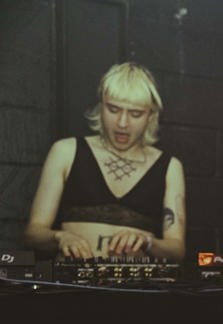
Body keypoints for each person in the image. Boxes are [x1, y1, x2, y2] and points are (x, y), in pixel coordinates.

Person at [23, 62, 186, 261]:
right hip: (71, 279)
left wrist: (147, 242)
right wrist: (61, 237)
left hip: (136, 281)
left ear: (150, 116)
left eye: (135, 114)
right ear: (101, 107)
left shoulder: (170, 167)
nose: (122, 123)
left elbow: (177, 250)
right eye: (113, 109)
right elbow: (32, 234)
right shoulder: (65, 151)